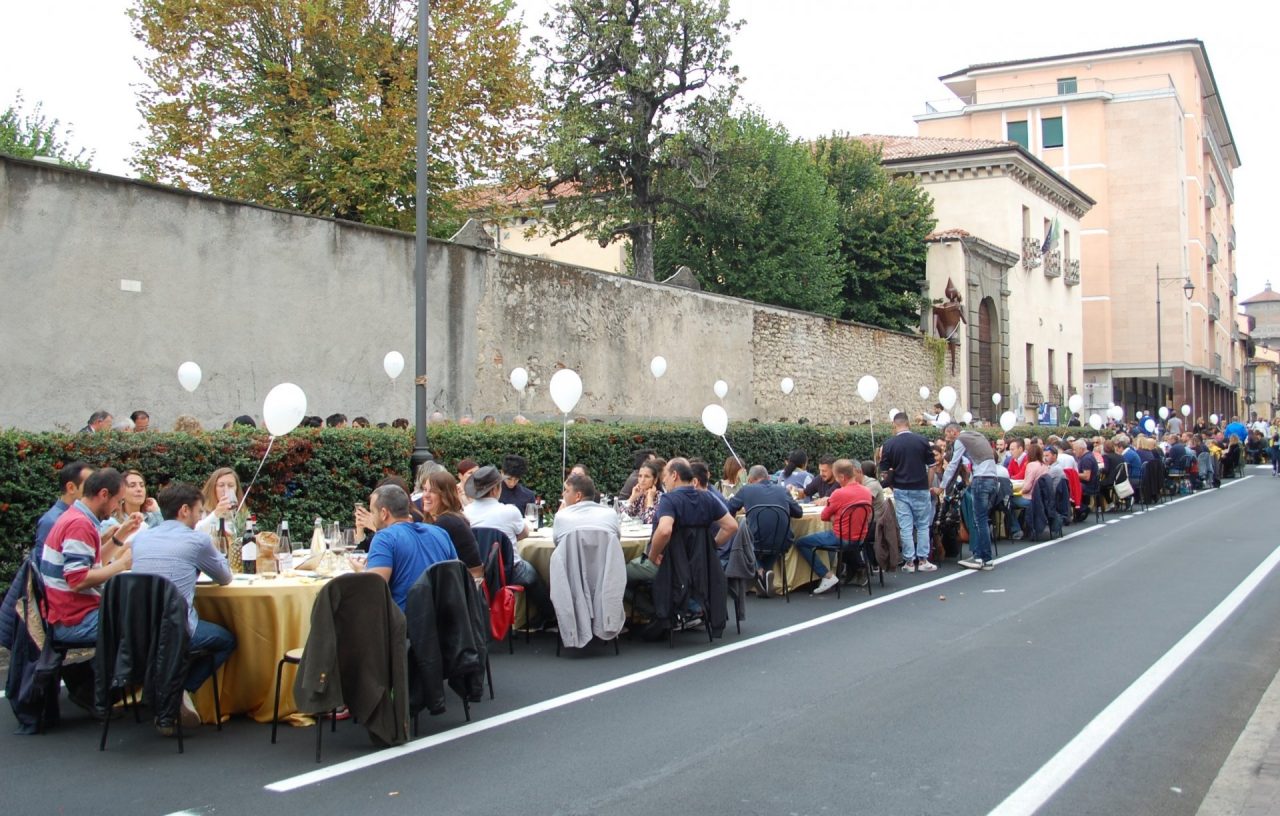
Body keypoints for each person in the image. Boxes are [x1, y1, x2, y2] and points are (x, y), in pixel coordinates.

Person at [130, 482, 235, 731]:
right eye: (199, 511)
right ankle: (181, 689)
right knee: (227, 640)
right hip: (176, 630)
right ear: (185, 510)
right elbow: (225, 577)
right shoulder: (196, 540)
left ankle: (165, 690)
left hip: (139, 631)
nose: (200, 517)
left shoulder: (140, 539)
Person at [626, 459, 738, 626]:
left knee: (618, 575)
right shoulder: (707, 497)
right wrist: (710, 547)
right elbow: (731, 526)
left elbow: (664, 530)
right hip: (700, 567)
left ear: (675, 475)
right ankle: (684, 609)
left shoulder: (669, 500)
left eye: (665, 476)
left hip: (669, 567)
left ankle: (659, 614)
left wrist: (652, 556)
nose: (663, 480)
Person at [40, 468, 139, 644]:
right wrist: (123, 564)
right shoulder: (79, 525)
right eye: (118, 500)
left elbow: (92, 563)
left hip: (66, 613)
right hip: (75, 619)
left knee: (140, 615)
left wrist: (120, 536)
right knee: (146, 624)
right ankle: (95, 671)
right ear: (104, 494)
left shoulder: (75, 516)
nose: (118, 507)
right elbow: (78, 580)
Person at [464, 465, 553, 629]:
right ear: (495, 489)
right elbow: (524, 534)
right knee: (534, 576)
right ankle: (548, 615)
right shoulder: (509, 511)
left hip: (476, 573)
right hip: (510, 571)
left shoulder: (465, 512)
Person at [350, 484, 457, 611]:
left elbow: (375, 589)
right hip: (445, 619)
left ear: (384, 513)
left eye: (373, 512)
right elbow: (456, 578)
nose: (371, 516)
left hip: (406, 623)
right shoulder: (440, 533)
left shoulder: (384, 538)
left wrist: (361, 572)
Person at [792, 459, 874, 594]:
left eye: (836, 477)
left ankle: (826, 575)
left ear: (841, 477)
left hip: (841, 537)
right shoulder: (866, 491)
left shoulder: (839, 493)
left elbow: (824, 516)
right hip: (860, 538)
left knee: (801, 542)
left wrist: (836, 517)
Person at [727, 465, 803, 591]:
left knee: (742, 540)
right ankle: (766, 575)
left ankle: (760, 572)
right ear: (768, 477)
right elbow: (798, 513)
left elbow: (729, 510)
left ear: (750, 479)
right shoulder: (782, 490)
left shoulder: (746, 490)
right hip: (783, 542)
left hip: (756, 541)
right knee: (772, 541)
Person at [879, 413, 938, 572]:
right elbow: (932, 466)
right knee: (923, 525)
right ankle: (923, 559)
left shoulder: (889, 444)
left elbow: (884, 473)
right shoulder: (922, 441)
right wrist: (927, 484)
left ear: (894, 424)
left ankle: (909, 562)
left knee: (905, 526)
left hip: (901, 488)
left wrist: (893, 485)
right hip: (920, 487)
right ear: (908, 423)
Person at [940, 430, 998, 570]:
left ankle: (982, 558)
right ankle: (981, 556)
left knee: (979, 521)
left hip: (981, 479)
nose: (948, 441)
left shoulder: (961, 439)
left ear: (952, 432)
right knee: (982, 520)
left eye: (948, 437)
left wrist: (942, 486)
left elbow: (954, 464)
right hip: (992, 479)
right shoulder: (978, 435)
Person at [421, 471, 483, 579]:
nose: (426, 495)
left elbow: (427, 557)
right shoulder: (444, 518)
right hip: (457, 579)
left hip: (466, 584)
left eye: (433, 491)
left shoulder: (447, 522)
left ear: (445, 495)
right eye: (425, 489)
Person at [35, 461, 94, 552]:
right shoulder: (52, 521)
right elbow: (43, 563)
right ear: (71, 488)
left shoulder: (86, 517)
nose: (95, 491)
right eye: (89, 485)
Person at [553, 472, 620, 544]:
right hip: (606, 555)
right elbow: (616, 541)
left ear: (578, 496)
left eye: (567, 490)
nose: (563, 494)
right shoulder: (611, 515)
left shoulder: (561, 517)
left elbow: (558, 545)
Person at [101, 469, 164, 541]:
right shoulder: (111, 523)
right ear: (121, 492)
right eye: (132, 485)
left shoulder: (152, 518)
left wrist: (156, 511)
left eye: (142, 485)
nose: (139, 489)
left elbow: (165, 541)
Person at [196, 467, 243, 538]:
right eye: (221, 485)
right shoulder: (201, 510)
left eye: (230, 486)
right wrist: (216, 514)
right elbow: (193, 532)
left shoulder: (239, 513)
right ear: (213, 488)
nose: (226, 490)